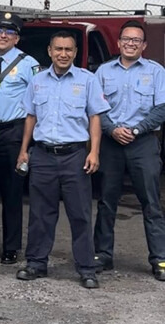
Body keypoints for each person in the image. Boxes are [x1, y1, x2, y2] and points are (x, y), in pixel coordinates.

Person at [16, 31, 109, 289]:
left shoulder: (87, 80)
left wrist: (94, 152)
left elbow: (95, 118)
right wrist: (24, 150)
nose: (63, 54)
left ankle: (86, 268)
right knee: (40, 213)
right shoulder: (37, 81)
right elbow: (31, 117)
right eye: (58, 49)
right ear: (49, 51)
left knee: (79, 214)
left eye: (68, 49)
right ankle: (36, 262)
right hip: (43, 155)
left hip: (75, 156)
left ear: (75, 52)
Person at [93, 20, 165, 281]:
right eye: (126, 39)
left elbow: (161, 108)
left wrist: (135, 130)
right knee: (106, 201)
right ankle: (102, 254)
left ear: (143, 45)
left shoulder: (156, 72)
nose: (131, 44)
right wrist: (112, 129)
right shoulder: (103, 72)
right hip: (111, 144)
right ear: (119, 42)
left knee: (151, 202)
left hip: (143, 143)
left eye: (136, 40)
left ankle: (160, 259)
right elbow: (96, 108)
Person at [0, 12, 39, 265]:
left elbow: (36, 103)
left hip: (12, 133)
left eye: (9, 32)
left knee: (12, 193)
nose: (3, 36)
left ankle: (11, 247)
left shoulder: (29, 64)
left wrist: (27, 144)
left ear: (17, 38)